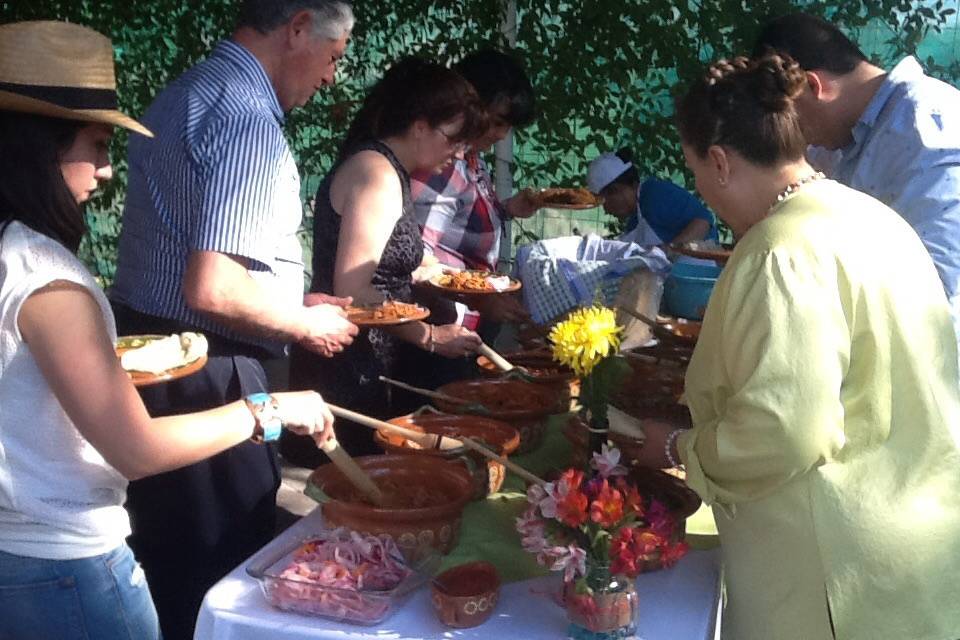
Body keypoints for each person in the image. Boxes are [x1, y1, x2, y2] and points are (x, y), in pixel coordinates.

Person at [0, 21, 337, 640]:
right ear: (40, 146)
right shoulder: (48, 277)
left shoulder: (13, 254)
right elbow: (137, 448)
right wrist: (270, 408)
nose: (105, 171)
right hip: (69, 562)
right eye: (97, 146)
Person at [636, 54, 960, 639]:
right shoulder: (873, 217)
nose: (704, 193)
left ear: (718, 162)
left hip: (829, 579)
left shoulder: (779, 250)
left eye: (698, 174)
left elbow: (785, 429)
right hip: (914, 548)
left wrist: (685, 447)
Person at [108, 2, 357, 637]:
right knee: (222, 564)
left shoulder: (189, 89)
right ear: (297, 27)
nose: (334, 76)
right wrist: (305, 327)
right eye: (333, 56)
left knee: (167, 553)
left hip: (153, 357)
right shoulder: (248, 119)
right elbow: (213, 286)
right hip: (207, 369)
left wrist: (292, 304)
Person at [288, 57, 487, 462]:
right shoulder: (377, 173)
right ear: (419, 126)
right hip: (351, 367)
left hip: (365, 361)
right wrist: (429, 337)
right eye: (453, 138)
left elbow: (385, 264)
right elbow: (355, 289)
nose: (458, 152)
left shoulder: (386, 167)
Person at [753, 12, 960, 347]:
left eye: (796, 120)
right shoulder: (837, 142)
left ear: (812, 86)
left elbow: (941, 298)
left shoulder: (929, 131)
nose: (803, 139)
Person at [410, 49, 538, 334]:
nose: (502, 135)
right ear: (471, 108)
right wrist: (476, 297)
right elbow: (416, 258)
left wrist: (505, 210)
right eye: (497, 122)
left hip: (464, 325)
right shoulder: (445, 164)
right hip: (439, 329)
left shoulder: (472, 157)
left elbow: (458, 218)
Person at [586, 148, 718, 245]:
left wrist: (670, 250)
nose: (606, 210)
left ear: (626, 187)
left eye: (605, 201)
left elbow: (703, 222)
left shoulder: (657, 194)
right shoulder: (634, 222)